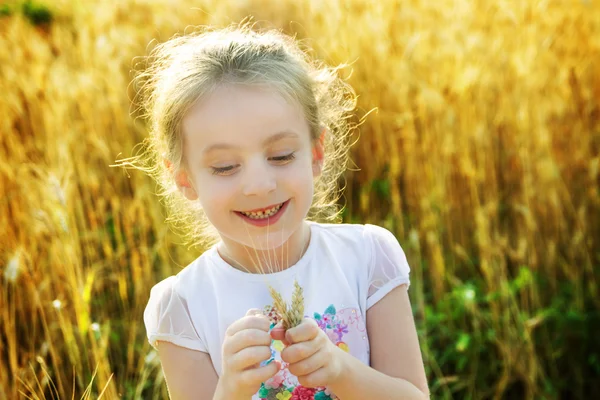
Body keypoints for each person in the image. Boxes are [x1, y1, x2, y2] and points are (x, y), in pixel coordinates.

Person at [132, 22, 429, 400]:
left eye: (281, 155)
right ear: (185, 178)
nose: (259, 185)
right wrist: (231, 390)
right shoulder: (183, 306)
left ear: (316, 153)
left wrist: (340, 371)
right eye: (225, 166)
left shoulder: (368, 258)